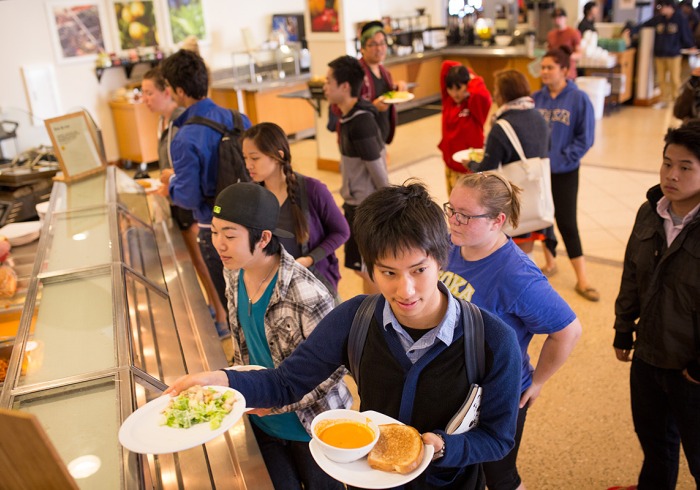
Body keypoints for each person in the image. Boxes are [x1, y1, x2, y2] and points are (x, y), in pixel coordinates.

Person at [166, 180, 523, 490]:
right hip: (368, 479)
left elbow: (497, 437)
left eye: (419, 270)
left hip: (450, 483)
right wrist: (220, 380)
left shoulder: (492, 341)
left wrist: (444, 447)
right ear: (370, 268)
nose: (406, 290)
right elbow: (286, 382)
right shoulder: (355, 319)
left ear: (440, 261)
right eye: (388, 272)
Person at [441, 172, 582, 490]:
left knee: (499, 475)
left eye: (465, 215)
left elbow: (569, 330)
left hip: (498, 395)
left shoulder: (516, 274)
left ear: (497, 220)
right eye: (451, 209)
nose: (454, 220)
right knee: (458, 465)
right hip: (456, 386)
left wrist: (538, 381)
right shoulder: (454, 244)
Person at [211, 182, 352, 489]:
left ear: (263, 238)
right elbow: (243, 344)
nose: (218, 244)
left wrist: (274, 401)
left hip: (313, 427)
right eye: (214, 232)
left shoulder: (306, 293)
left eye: (229, 235)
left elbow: (334, 369)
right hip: (260, 421)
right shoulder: (233, 271)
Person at [611, 121, 700, 490]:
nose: (671, 175)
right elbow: (632, 271)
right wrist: (623, 325)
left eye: (685, 167)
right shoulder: (651, 211)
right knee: (656, 446)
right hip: (649, 356)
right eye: (667, 163)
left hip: (691, 370)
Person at [159, 49, 252, 339]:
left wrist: (169, 186)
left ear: (179, 91)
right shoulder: (239, 119)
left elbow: (187, 198)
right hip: (253, 223)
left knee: (236, 309)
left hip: (216, 232)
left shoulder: (185, 137)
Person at [141, 66, 228, 336]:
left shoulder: (183, 124)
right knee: (198, 261)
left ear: (171, 91)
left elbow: (188, 171)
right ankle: (216, 307)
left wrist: (172, 180)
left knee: (204, 261)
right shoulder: (165, 122)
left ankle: (222, 316)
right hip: (179, 197)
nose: (145, 99)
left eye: (149, 92)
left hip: (191, 203)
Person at [241, 122, 349, 300]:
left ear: (278, 156)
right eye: (245, 158)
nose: (248, 165)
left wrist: (309, 259)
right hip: (274, 289)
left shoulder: (312, 189)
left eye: (254, 158)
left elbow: (341, 231)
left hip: (316, 284)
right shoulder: (252, 196)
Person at [532, 47, 599, 301]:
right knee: (542, 219)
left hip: (565, 172)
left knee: (567, 222)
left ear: (564, 70)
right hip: (538, 173)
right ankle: (550, 263)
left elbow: (586, 138)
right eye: (543, 67)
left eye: (550, 67)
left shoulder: (578, 99)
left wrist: (562, 159)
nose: (545, 72)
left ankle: (582, 279)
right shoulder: (536, 98)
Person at [470, 69, 557, 263]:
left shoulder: (502, 126)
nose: (494, 95)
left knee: (513, 252)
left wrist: (470, 164)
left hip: (514, 200)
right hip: (536, 197)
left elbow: (487, 168)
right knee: (527, 250)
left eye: (496, 90)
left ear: (503, 94)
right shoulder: (539, 118)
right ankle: (530, 276)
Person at [323, 55, 389, 295]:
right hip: (355, 202)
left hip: (365, 206)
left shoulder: (360, 121)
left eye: (329, 81)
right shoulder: (350, 116)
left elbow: (377, 168)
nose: (325, 86)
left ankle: (374, 319)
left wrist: (387, 206)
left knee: (367, 268)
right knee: (361, 266)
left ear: (345, 86)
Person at [328, 21, 407, 144]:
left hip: (380, 136)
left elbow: (382, 93)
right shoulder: (355, 72)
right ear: (362, 48)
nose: (379, 48)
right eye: (373, 44)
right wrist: (373, 107)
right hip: (361, 138)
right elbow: (341, 107)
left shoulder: (384, 71)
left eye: (382, 43)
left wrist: (396, 87)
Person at [438, 60, 493, 196]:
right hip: (451, 165)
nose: (454, 93)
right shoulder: (448, 101)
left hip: (469, 167)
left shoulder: (474, 104)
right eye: (451, 89)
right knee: (452, 202)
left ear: (467, 86)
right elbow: (446, 65)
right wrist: (461, 72)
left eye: (459, 88)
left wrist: (472, 78)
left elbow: (483, 95)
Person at [629, 0, 695, 107]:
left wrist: (691, 45)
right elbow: (645, 24)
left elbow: (685, 34)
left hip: (674, 54)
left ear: (670, 7)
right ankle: (664, 99)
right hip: (660, 53)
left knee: (674, 78)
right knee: (661, 79)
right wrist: (631, 29)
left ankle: (677, 99)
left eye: (663, 7)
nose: (662, 10)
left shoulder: (680, 19)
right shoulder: (658, 19)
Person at [547, 8, 582, 79]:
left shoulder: (573, 33)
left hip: (568, 73)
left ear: (565, 18)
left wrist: (566, 56)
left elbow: (579, 53)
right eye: (555, 17)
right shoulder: (551, 34)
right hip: (554, 73)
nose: (557, 19)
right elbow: (549, 52)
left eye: (560, 17)